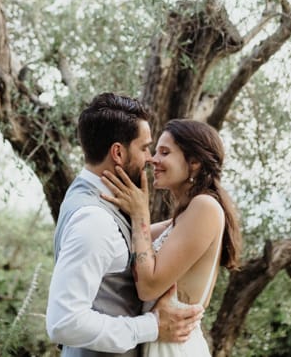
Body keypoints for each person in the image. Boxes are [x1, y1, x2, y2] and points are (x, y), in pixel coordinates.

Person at [47, 93, 204, 356]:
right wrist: (151, 326)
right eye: (144, 148)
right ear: (118, 152)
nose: (150, 158)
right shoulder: (94, 220)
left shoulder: (87, 197)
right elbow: (64, 322)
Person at [101, 119, 242, 357]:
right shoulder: (181, 220)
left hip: (176, 349)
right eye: (155, 151)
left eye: (164, 152)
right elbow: (124, 236)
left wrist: (140, 213)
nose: (154, 159)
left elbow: (148, 287)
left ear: (195, 162)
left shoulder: (205, 206)